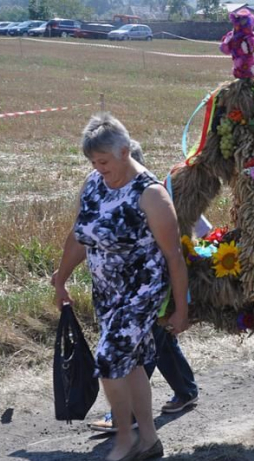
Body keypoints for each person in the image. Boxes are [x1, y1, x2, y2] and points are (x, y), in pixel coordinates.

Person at [53, 113, 189, 461]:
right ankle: (149, 439)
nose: (99, 169)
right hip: (106, 291)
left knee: (110, 359)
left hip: (142, 290)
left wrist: (181, 309)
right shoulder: (95, 184)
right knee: (130, 365)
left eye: (104, 161)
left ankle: (125, 439)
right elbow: (81, 235)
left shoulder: (152, 196)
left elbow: (174, 257)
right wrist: (61, 277)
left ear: (125, 151)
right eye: (93, 163)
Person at [86, 140, 199, 434]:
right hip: (134, 289)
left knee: (134, 349)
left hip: (156, 285)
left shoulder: (155, 194)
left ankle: (130, 417)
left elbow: (199, 229)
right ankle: (185, 391)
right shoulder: (114, 193)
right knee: (157, 341)